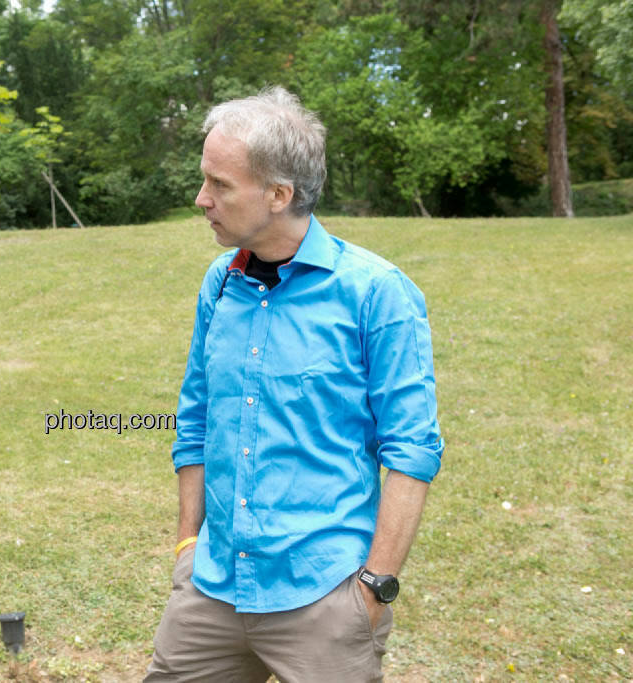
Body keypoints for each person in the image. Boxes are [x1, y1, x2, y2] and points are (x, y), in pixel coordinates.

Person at [145, 86, 444, 682]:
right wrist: (186, 547)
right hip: (212, 589)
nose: (201, 199)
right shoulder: (220, 283)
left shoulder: (376, 294)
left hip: (325, 599)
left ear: (280, 195)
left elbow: (412, 452)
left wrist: (373, 587)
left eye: (220, 185)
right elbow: (197, 417)